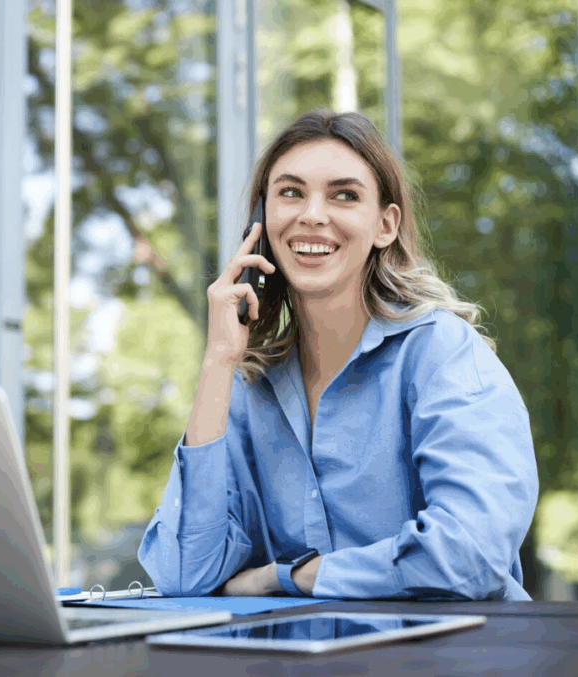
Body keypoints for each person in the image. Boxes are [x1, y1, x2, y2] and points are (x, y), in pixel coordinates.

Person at [137, 109, 539, 601]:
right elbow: (183, 576)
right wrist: (218, 362)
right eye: (290, 192)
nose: (312, 214)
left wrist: (287, 576)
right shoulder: (250, 389)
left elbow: (471, 556)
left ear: (384, 225)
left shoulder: (442, 353)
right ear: (261, 223)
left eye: (343, 195)